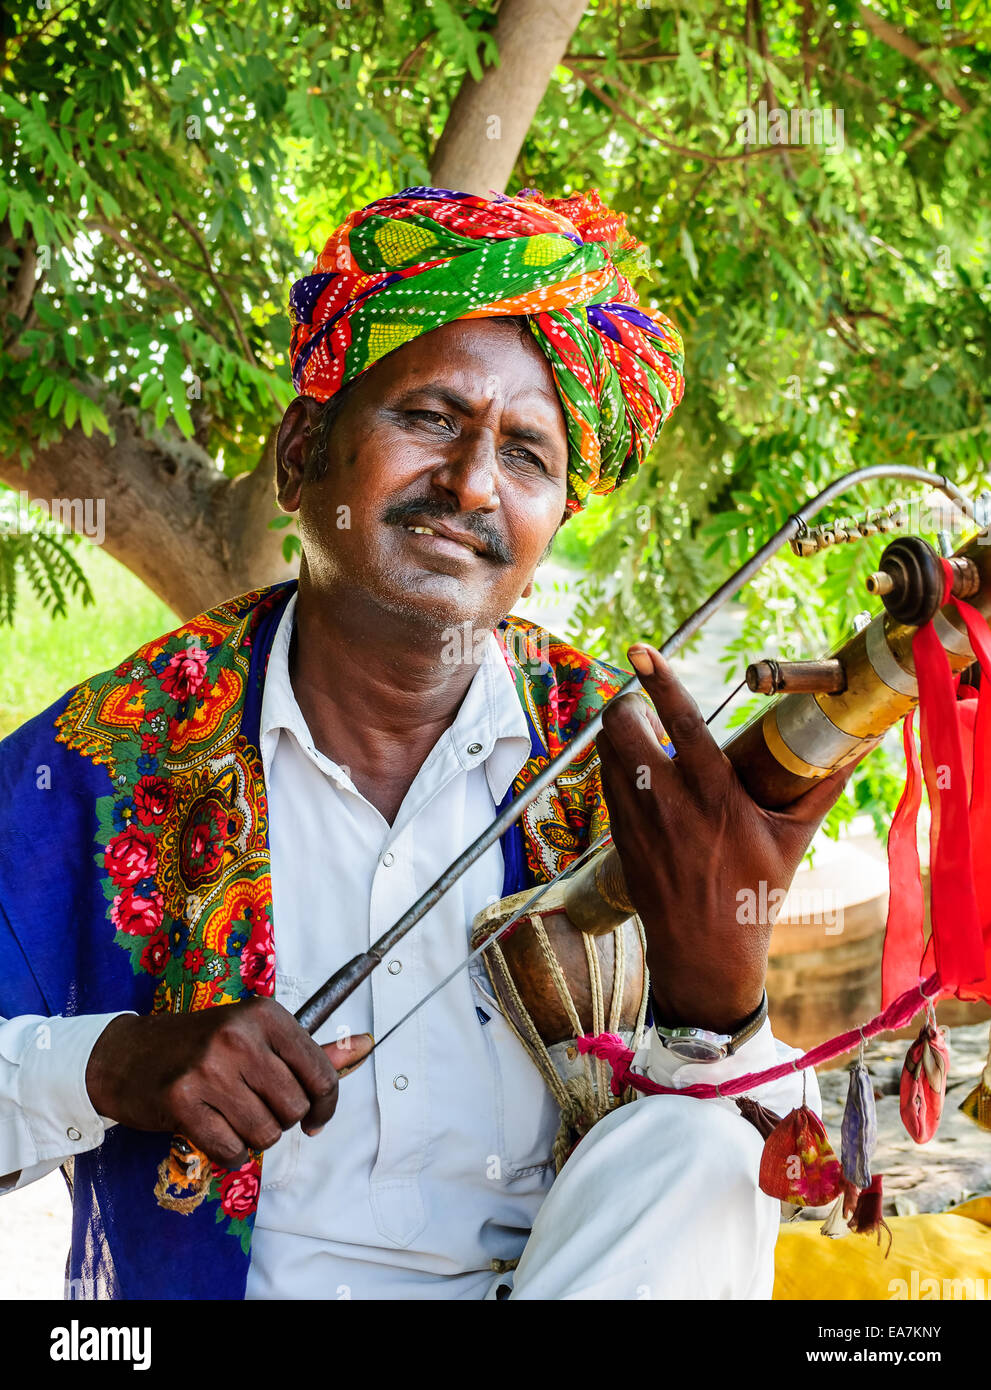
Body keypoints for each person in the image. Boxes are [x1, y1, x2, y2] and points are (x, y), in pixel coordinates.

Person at [0, 186, 848, 1300]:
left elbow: (769, 1194)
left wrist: (723, 1002)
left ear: (549, 525)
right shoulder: (110, 757)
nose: (471, 484)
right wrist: (111, 1061)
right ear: (301, 451)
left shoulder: (620, 768)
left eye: (528, 457)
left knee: (696, 1149)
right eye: (431, 418)